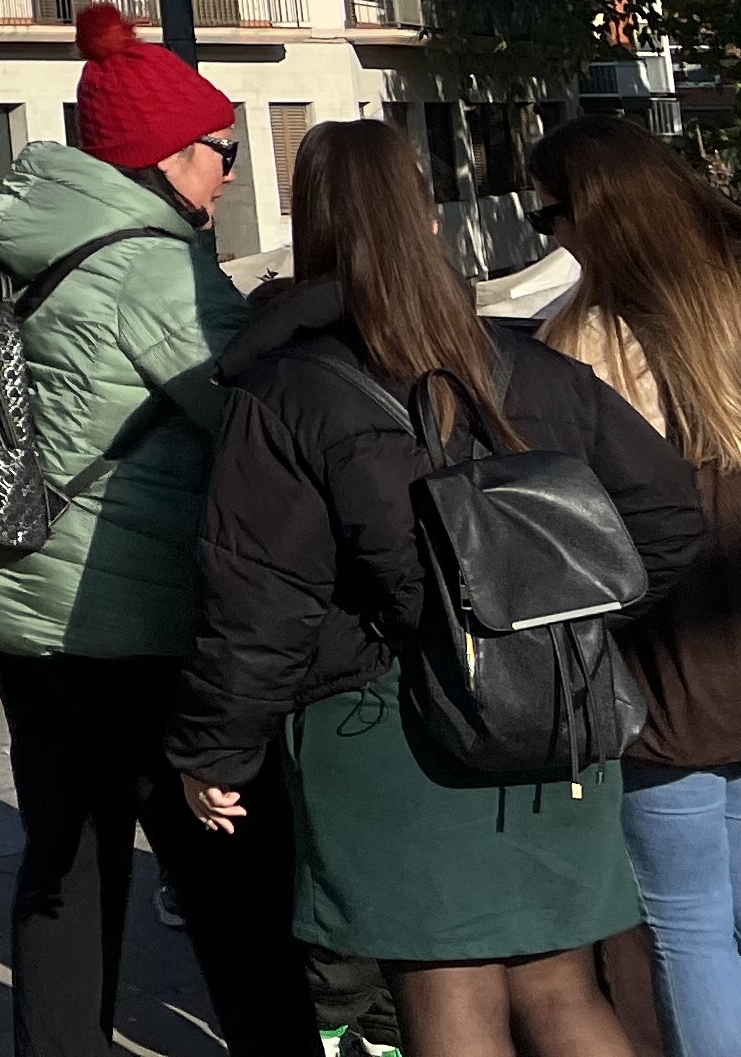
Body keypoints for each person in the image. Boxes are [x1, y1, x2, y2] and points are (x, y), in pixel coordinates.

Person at [175, 119, 706, 1057]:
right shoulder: (531, 364)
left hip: (387, 726)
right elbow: (667, 521)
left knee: (443, 990)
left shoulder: (288, 389)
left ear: (314, 225)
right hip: (552, 707)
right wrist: (564, 620)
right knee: (561, 982)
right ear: (425, 220)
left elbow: (260, 598)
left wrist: (216, 749)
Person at [0, 10, 314, 1057]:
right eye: (221, 153)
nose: (230, 175)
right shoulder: (154, 264)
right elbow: (246, 413)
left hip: (13, 592)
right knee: (224, 866)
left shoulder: (26, 245)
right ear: (163, 156)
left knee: (67, 854)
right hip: (127, 614)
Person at [533, 117, 741, 1057]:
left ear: (591, 215)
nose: (550, 233)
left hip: (661, 678)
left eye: (552, 212)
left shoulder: (577, 347)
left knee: (690, 926)